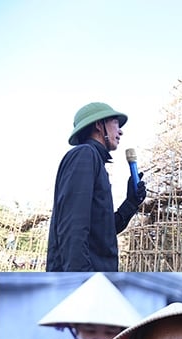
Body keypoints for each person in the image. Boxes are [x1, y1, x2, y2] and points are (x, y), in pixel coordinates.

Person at [46, 102, 147, 272]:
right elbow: (72, 227)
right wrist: (81, 279)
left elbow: (103, 234)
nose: (120, 131)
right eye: (115, 123)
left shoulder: (94, 161)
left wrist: (131, 203)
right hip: (83, 280)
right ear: (99, 125)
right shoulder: (84, 155)